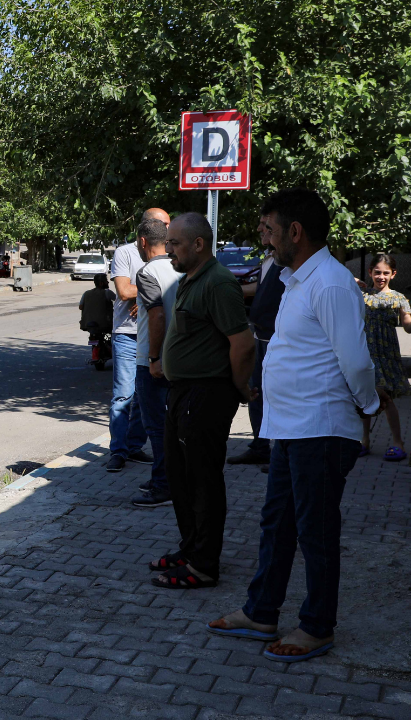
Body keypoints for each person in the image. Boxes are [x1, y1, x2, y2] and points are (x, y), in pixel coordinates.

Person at [208, 189, 379, 663]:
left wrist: (367, 409)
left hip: (320, 431)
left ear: (295, 232)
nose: (265, 239)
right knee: (277, 524)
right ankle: (262, 611)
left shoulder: (330, 282)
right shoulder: (296, 278)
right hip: (291, 428)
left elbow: (356, 362)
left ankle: (317, 627)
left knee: (316, 532)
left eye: (268, 230)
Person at [149, 212, 254, 590]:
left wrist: (241, 390)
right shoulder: (191, 279)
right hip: (183, 393)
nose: (168, 248)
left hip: (206, 394)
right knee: (180, 478)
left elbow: (242, 345)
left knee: (203, 481)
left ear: (198, 244)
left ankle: (204, 565)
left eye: (175, 242)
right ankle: (190, 549)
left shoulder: (219, 283)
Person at [105, 208, 170, 471]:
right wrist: (148, 295)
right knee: (124, 396)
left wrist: (142, 297)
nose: (167, 229)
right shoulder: (125, 252)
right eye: (162, 224)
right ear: (146, 229)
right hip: (127, 335)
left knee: (145, 397)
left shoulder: (170, 251)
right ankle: (118, 451)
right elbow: (122, 291)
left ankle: (134, 446)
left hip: (154, 335)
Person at [131, 219, 182, 508]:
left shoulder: (148, 271)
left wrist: (153, 358)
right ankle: (163, 476)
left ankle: (164, 486)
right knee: (170, 425)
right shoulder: (179, 267)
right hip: (178, 357)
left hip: (154, 361)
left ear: (142, 242)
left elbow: (157, 315)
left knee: (157, 428)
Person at [228, 219, 285, 467]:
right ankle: (260, 446)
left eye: (265, 226)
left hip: (277, 338)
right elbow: (258, 289)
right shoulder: (268, 259)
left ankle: (282, 453)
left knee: (278, 395)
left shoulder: (287, 262)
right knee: (256, 393)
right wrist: (230, 289)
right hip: (259, 335)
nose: (260, 229)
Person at [360, 254, 411, 460]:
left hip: (387, 354)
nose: (381, 276)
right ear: (370, 272)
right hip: (365, 353)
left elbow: (407, 324)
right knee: (365, 398)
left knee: (385, 398)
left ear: (393, 274)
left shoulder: (398, 298)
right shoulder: (362, 295)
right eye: (377, 272)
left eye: (386, 273)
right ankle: (363, 441)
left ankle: (398, 443)